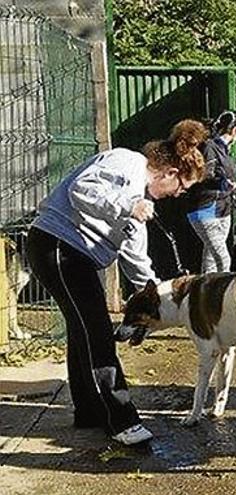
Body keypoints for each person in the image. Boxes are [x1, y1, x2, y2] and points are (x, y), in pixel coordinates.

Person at [25, 119, 207, 445]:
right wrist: (128, 205)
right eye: (182, 187)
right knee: (96, 331)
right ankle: (121, 421)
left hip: (74, 255)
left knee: (84, 330)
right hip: (57, 246)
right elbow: (82, 189)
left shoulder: (141, 203)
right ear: (170, 172)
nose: (178, 195)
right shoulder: (127, 163)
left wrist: (160, 292)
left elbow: (136, 259)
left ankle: (90, 411)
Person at [185, 110, 236, 273]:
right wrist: (224, 184)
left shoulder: (224, 150)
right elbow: (203, 176)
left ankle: (205, 294)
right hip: (206, 209)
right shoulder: (210, 147)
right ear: (235, 130)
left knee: (211, 256)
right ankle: (220, 294)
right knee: (223, 258)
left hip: (222, 209)